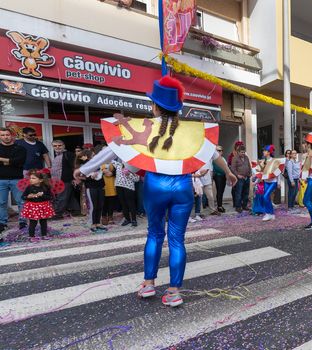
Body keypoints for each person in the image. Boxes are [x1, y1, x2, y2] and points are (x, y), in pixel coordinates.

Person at [75, 75, 236, 307]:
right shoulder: (192, 130)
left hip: (155, 186)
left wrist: (85, 168)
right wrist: (229, 173)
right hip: (182, 187)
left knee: (154, 234)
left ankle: (149, 284)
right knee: (177, 240)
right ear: (177, 108)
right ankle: (174, 292)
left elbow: (117, 149)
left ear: (155, 106)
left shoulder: (145, 126)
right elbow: (215, 155)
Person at [0, 127, 27, 235]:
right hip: (1, 179)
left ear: (11, 135)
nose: (5, 137)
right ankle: (2, 223)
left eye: (7, 135)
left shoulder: (20, 148)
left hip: (17, 178)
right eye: (2, 135)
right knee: (1, 203)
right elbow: (14, 162)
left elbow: (20, 161)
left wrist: (2, 160)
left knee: (21, 202)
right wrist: (11, 161)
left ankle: (23, 222)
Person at [76, 148, 107, 233]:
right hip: (91, 187)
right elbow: (81, 177)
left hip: (100, 186)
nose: (95, 156)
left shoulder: (98, 164)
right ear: (87, 157)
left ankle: (98, 223)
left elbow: (102, 173)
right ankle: (93, 224)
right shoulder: (85, 166)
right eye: (93, 155)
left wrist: (103, 172)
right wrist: (90, 177)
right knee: (94, 206)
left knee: (100, 205)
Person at [21, 169, 55, 242]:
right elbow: (23, 197)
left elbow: (50, 197)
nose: (31, 180)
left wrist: (42, 195)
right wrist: (28, 197)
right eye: (30, 178)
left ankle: (44, 235)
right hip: (32, 207)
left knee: (43, 222)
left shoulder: (46, 187)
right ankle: (31, 236)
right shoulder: (29, 187)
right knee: (33, 222)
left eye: (33, 178)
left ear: (40, 180)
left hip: (43, 206)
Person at [51, 140, 81, 219]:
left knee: (62, 197)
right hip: (58, 180)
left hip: (66, 179)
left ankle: (57, 214)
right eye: (55, 146)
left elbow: (75, 166)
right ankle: (76, 210)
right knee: (69, 196)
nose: (57, 147)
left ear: (64, 146)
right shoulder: (57, 156)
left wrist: (75, 178)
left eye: (59, 145)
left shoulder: (69, 154)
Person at [258, 145, 283, 222]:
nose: (263, 152)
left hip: (273, 182)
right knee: (266, 197)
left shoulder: (275, 161)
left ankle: (268, 213)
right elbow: (260, 172)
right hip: (266, 181)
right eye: (264, 150)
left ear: (269, 152)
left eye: (265, 151)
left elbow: (278, 172)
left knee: (265, 196)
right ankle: (271, 214)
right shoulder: (263, 161)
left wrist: (279, 182)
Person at [113, 158, 139, 227]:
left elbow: (137, 179)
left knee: (131, 204)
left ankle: (134, 220)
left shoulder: (134, 166)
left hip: (129, 187)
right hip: (119, 186)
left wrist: (128, 174)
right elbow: (110, 159)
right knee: (123, 203)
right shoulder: (118, 165)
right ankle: (127, 219)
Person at [231, 145, 252, 213]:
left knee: (246, 192)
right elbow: (233, 169)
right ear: (238, 152)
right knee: (239, 193)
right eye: (242, 152)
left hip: (247, 177)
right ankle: (238, 207)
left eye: (244, 152)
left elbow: (249, 166)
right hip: (239, 178)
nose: (243, 153)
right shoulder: (235, 158)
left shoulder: (246, 157)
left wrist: (250, 173)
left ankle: (244, 206)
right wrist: (237, 175)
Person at [100, 160, 117, 225]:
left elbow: (118, 172)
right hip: (103, 185)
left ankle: (110, 216)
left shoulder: (114, 163)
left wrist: (112, 173)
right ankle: (103, 216)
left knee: (111, 202)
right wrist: (103, 172)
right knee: (104, 202)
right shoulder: (100, 163)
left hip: (112, 185)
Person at [212, 145, 227, 214]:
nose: (219, 152)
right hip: (218, 176)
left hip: (223, 176)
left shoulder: (223, 159)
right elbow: (217, 169)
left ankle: (220, 205)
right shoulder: (214, 159)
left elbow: (226, 167)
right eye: (218, 150)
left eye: (221, 150)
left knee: (222, 191)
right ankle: (219, 206)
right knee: (219, 191)